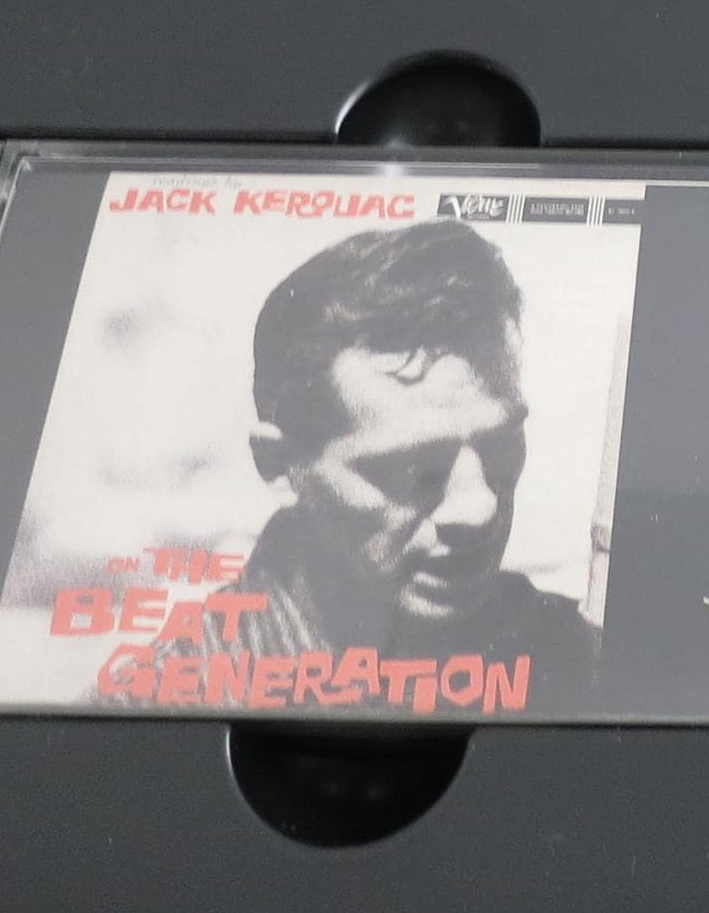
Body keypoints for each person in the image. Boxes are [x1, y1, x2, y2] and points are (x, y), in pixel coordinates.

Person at [221, 219, 597, 699]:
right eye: (414, 470)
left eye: (500, 446)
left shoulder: (588, 664)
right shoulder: (165, 705)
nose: (478, 509)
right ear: (279, 465)